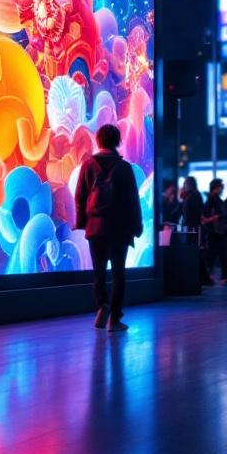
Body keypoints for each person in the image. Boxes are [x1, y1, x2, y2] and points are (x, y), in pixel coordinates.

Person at [74, 124, 144, 332]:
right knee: (118, 273)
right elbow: (133, 200)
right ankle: (115, 318)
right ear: (118, 141)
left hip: (96, 228)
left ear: (98, 140)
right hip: (119, 229)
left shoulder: (88, 165)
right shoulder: (124, 168)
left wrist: (83, 223)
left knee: (99, 272)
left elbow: (80, 196)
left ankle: (101, 306)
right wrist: (137, 225)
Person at [203, 179, 227, 284]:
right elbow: (209, 216)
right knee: (217, 254)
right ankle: (217, 276)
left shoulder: (212, 199)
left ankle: (216, 275)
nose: (222, 189)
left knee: (215, 254)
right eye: (220, 187)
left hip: (214, 230)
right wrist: (216, 217)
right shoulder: (213, 200)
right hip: (215, 231)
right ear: (216, 188)